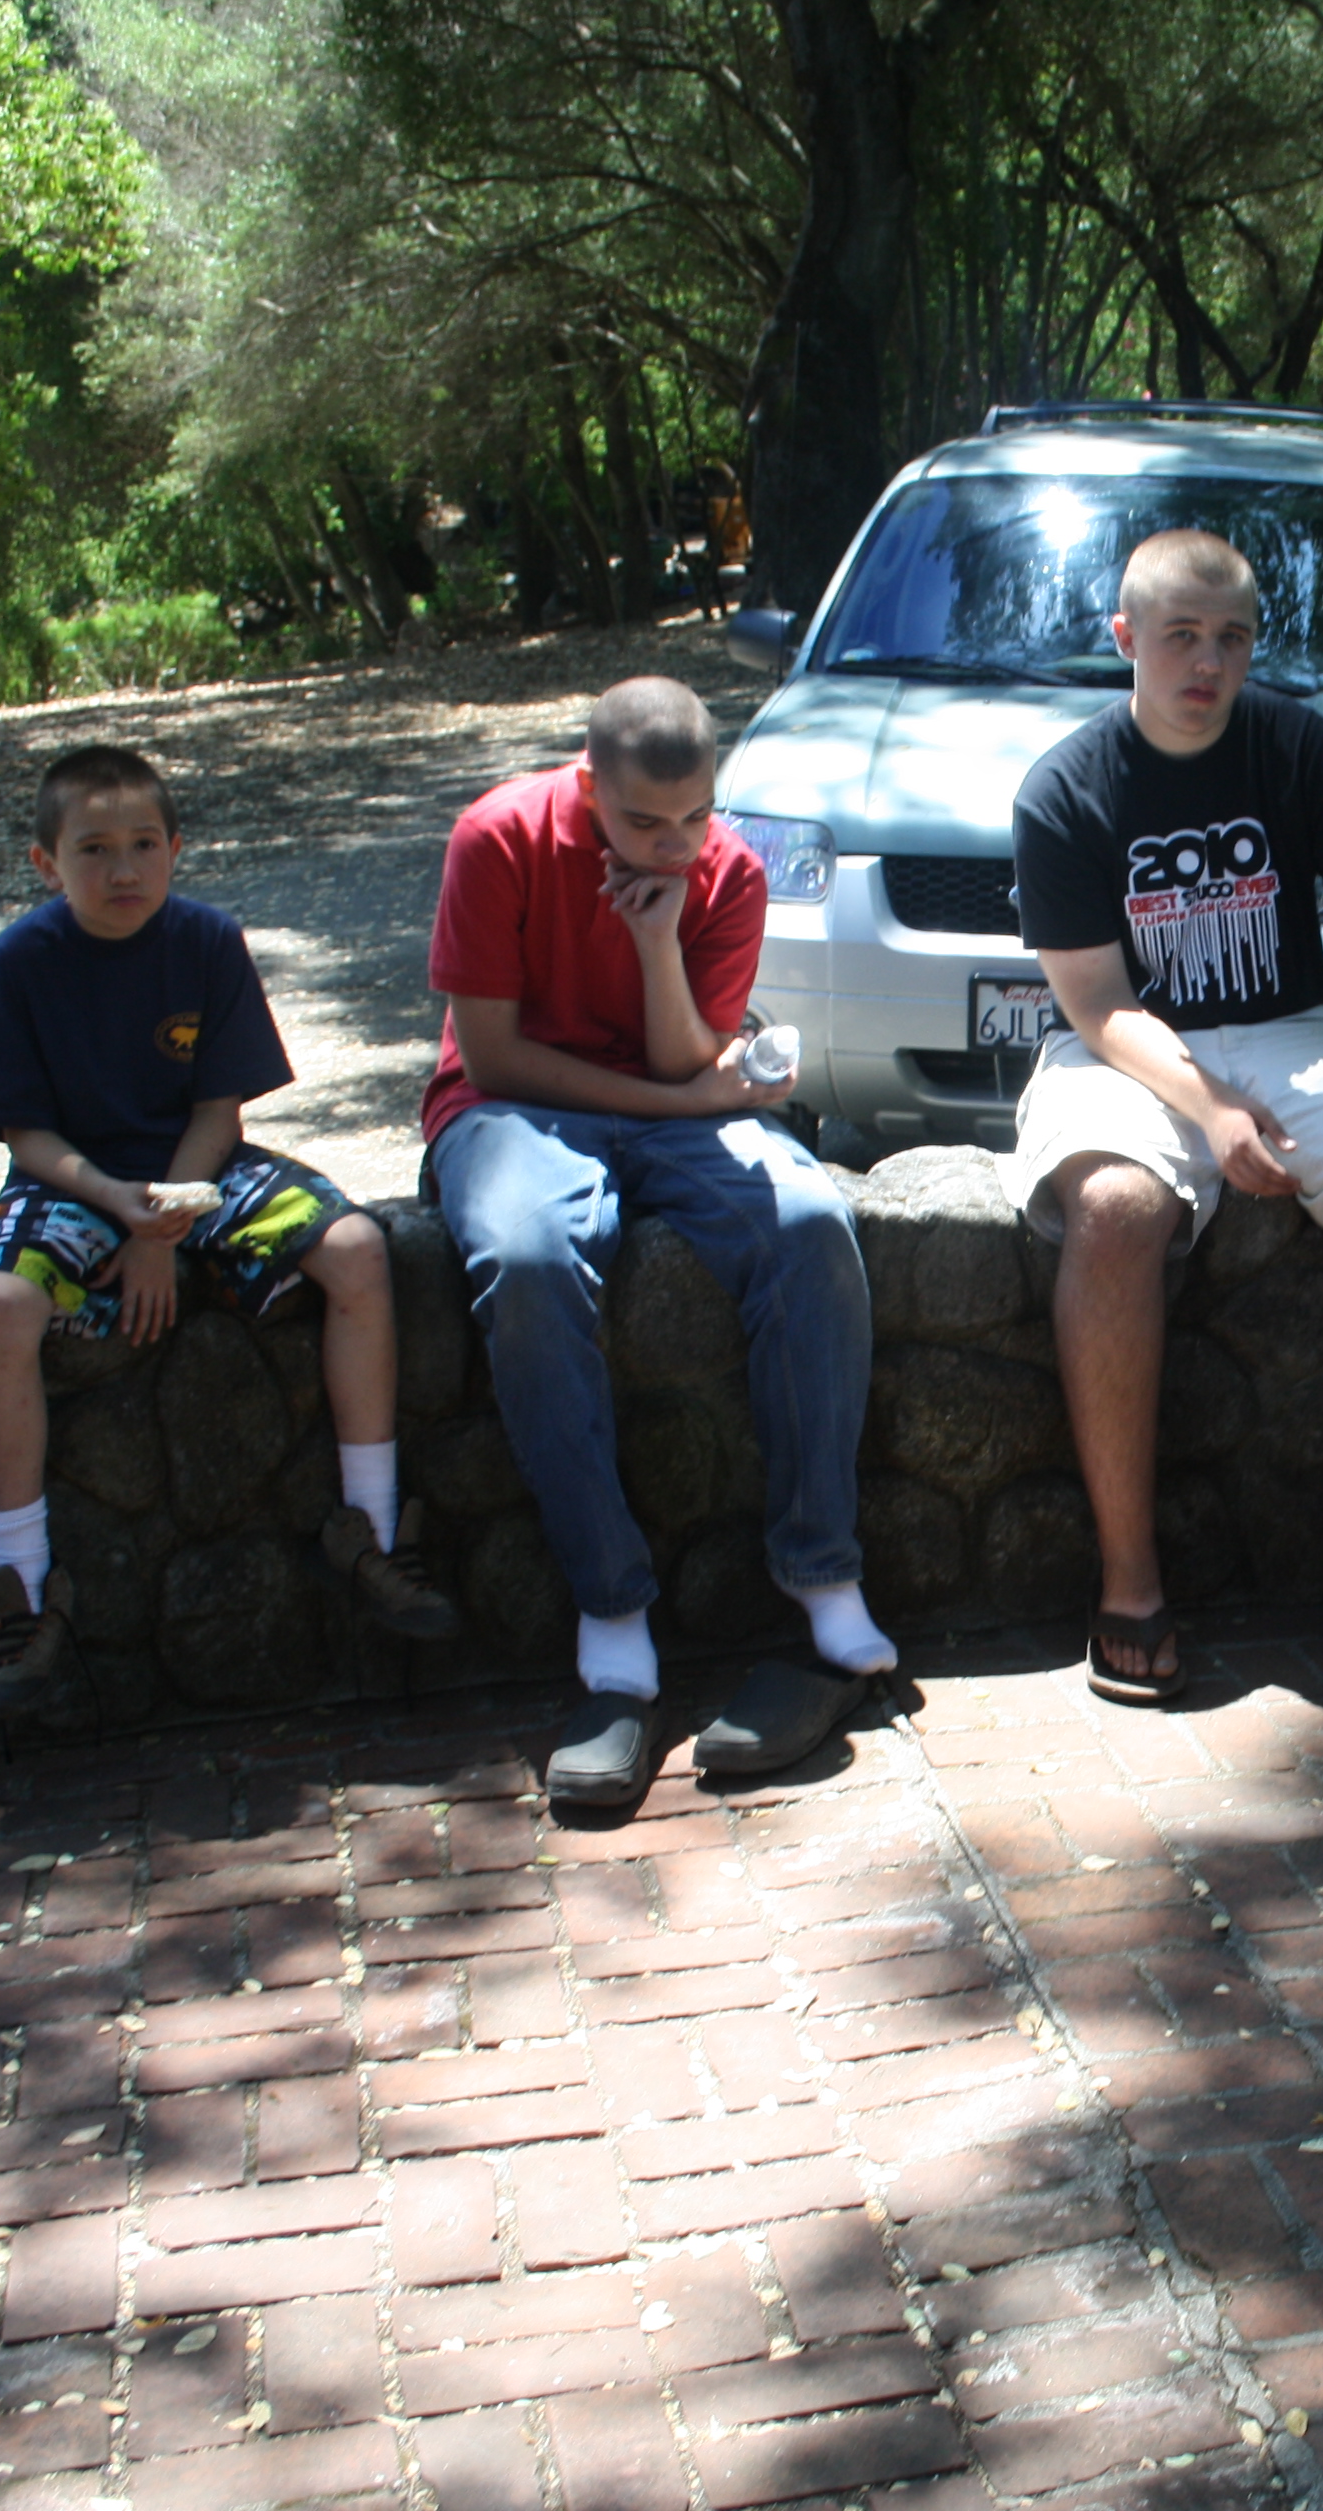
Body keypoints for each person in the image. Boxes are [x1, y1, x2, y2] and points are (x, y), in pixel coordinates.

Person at [1007, 527, 1323, 1701]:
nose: (1208, 663)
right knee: (1116, 1209)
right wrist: (1213, 1108)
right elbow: (1097, 1003)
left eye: (1232, 638)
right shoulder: (1065, 788)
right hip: (1127, 1047)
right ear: (1126, 639)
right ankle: (1130, 1575)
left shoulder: (1304, 751)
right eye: (1180, 636)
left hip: (1294, 1030)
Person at [423, 676, 893, 1805]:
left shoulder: (726, 871)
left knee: (811, 1222)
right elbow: (493, 1058)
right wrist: (683, 1104)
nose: (677, 846)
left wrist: (655, 943)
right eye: (644, 822)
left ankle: (822, 1575)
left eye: (696, 816)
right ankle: (612, 1605)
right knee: (530, 1261)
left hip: (673, 1104)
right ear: (588, 785)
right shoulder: (496, 836)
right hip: (511, 1111)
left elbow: (690, 1058)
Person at [0, 747, 455, 1727]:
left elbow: (218, 1112)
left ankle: (373, 1533)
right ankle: (23, 1592)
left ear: (177, 848)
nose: (124, 868)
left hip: (200, 1166)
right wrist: (119, 1204)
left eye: (144, 844)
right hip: (73, 1179)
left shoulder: (206, 941)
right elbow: (26, 1136)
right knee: (1, 1305)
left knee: (358, 1250)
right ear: (46, 863)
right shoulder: (21, 961)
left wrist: (162, 1229)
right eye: (94, 849)